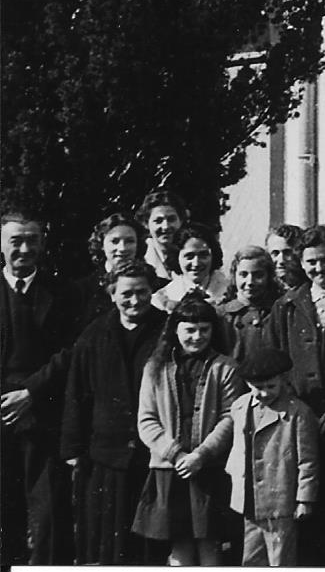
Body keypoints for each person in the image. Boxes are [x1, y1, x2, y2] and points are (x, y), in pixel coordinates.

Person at [262, 224, 325, 565]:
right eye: (311, 263)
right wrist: (297, 410)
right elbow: (273, 360)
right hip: (300, 422)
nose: (319, 269)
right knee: (306, 507)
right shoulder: (287, 305)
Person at [62, 260, 167, 565]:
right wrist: (74, 448)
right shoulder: (94, 335)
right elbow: (76, 392)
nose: (135, 301)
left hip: (154, 453)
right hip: (107, 454)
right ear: (112, 294)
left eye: (143, 292)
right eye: (126, 294)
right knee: (111, 542)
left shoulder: (167, 330)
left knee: (152, 543)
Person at [132, 292, 244, 566]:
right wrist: (176, 454)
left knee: (210, 544)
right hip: (170, 470)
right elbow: (146, 420)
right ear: (175, 330)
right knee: (179, 545)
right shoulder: (155, 368)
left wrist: (201, 455)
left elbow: (231, 417)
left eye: (204, 330)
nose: (197, 336)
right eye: (190, 330)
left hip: (209, 469)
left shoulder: (225, 368)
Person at [0, 209, 81, 565]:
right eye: (16, 240)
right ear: (2, 245)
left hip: (44, 414)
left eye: (32, 239)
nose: (24, 248)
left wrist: (30, 392)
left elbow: (70, 352)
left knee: (50, 513)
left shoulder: (64, 293)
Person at [224, 347, 318, 567]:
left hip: (280, 501)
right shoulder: (240, 406)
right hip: (249, 500)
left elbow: (308, 460)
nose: (265, 393)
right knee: (252, 558)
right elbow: (238, 448)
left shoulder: (298, 413)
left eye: (271, 386)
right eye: (258, 387)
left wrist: (304, 498)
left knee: (280, 559)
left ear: (283, 381)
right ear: (247, 384)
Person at [74, 213, 166, 328]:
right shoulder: (82, 290)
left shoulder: (159, 286)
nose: (122, 248)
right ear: (101, 244)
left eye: (130, 241)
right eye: (114, 241)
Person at [218, 246, 281, 364]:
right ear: (234, 276)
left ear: (269, 276)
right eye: (243, 274)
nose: (250, 282)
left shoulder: (278, 311)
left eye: (258, 275)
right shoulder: (222, 316)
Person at [152, 222, 230, 310]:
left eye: (203, 255)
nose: (196, 263)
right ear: (177, 257)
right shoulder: (164, 298)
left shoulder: (229, 290)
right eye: (189, 256)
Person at [137, 189, 188, 281]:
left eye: (171, 219)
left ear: (181, 221)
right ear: (146, 224)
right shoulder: (140, 258)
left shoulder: (193, 253)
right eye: (158, 221)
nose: (165, 227)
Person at [265, 224, 305, 290]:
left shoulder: (313, 290)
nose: (281, 261)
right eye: (275, 253)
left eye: (287, 253)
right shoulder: (263, 291)